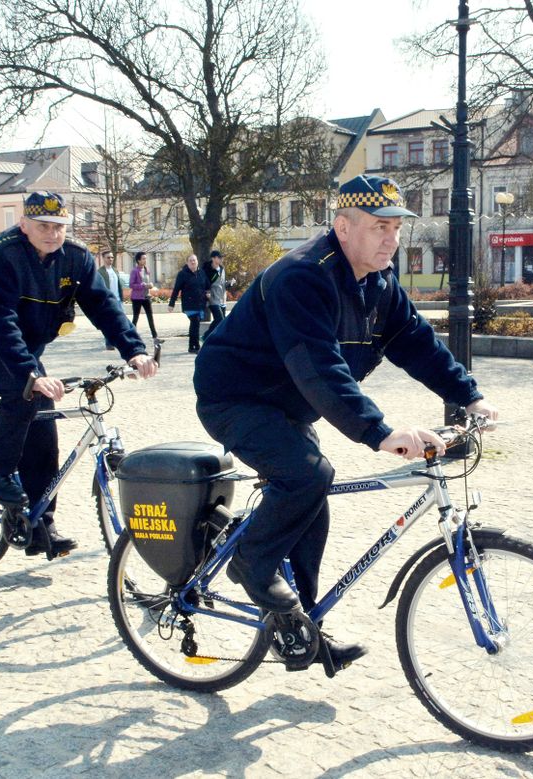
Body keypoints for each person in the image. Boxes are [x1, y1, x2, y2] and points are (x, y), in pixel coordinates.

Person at [194, 174, 498, 670]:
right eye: (380, 227)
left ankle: (299, 626)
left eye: (397, 228)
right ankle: (250, 562)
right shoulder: (303, 276)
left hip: (288, 405)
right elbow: (318, 368)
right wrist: (379, 432)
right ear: (343, 226)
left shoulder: (377, 284)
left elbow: (415, 341)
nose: (392, 239)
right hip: (237, 398)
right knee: (308, 475)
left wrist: (469, 396)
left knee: (312, 503)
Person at [0, 192, 159, 559]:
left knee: (44, 427)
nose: (52, 233)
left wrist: (134, 349)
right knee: (24, 393)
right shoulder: (1, 253)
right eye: (43, 226)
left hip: (23, 352)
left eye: (58, 226)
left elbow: (103, 306)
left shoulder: (75, 258)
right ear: (24, 225)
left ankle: (41, 520)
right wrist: (29, 373)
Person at [168, 254, 209, 352]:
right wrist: (171, 303)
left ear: (197, 261)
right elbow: (176, 289)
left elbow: (207, 286)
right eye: (190, 260)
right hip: (189, 304)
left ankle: (192, 346)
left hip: (200, 303)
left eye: (194, 260)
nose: (193, 262)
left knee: (196, 324)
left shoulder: (202, 273)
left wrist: (208, 293)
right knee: (195, 322)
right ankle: (195, 346)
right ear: (187, 262)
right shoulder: (182, 274)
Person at [128, 252, 159, 348]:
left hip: (146, 297)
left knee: (150, 317)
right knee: (135, 318)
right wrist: (143, 285)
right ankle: (130, 337)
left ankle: (155, 337)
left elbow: (148, 281)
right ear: (138, 260)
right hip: (137, 298)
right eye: (143, 259)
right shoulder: (134, 271)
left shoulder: (146, 270)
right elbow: (131, 285)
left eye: (146, 258)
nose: (145, 260)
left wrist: (151, 285)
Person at [97, 250, 125, 350]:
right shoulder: (100, 272)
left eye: (112, 257)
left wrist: (121, 298)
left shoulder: (115, 270)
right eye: (108, 257)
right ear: (103, 258)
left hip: (118, 300)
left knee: (120, 322)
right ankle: (109, 343)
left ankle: (119, 342)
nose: (110, 259)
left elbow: (118, 285)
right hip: (107, 301)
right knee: (108, 323)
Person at [203, 250, 229, 342]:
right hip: (213, 299)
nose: (221, 259)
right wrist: (207, 292)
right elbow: (205, 283)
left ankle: (216, 338)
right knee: (220, 319)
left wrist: (229, 284)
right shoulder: (207, 269)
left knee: (221, 321)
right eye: (219, 257)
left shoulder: (222, 269)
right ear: (213, 258)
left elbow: (222, 284)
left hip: (222, 299)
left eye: (221, 257)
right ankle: (206, 336)